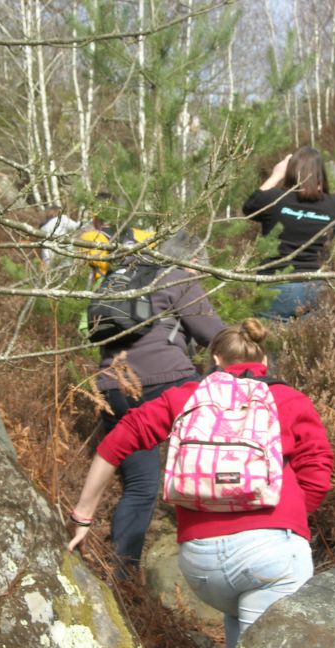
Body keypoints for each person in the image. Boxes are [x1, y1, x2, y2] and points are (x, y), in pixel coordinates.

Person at [68, 317, 333, 648]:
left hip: (202, 564)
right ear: (264, 360)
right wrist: (291, 519)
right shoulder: (291, 399)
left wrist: (84, 514)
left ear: (216, 361)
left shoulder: (189, 396)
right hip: (271, 553)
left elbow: (119, 439)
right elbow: (318, 472)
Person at [87, 230, 225, 577]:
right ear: (192, 261)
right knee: (218, 456)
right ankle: (220, 551)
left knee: (141, 486)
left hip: (113, 387)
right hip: (168, 382)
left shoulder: (120, 280)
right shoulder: (178, 275)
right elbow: (215, 336)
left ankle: (122, 575)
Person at [243, 146, 335, 321]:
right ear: (321, 173)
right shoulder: (333, 205)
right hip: (316, 287)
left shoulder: (275, 198)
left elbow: (249, 207)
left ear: (290, 171)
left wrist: (276, 175)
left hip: (275, 284)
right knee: (308, 346)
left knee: (269, 344)